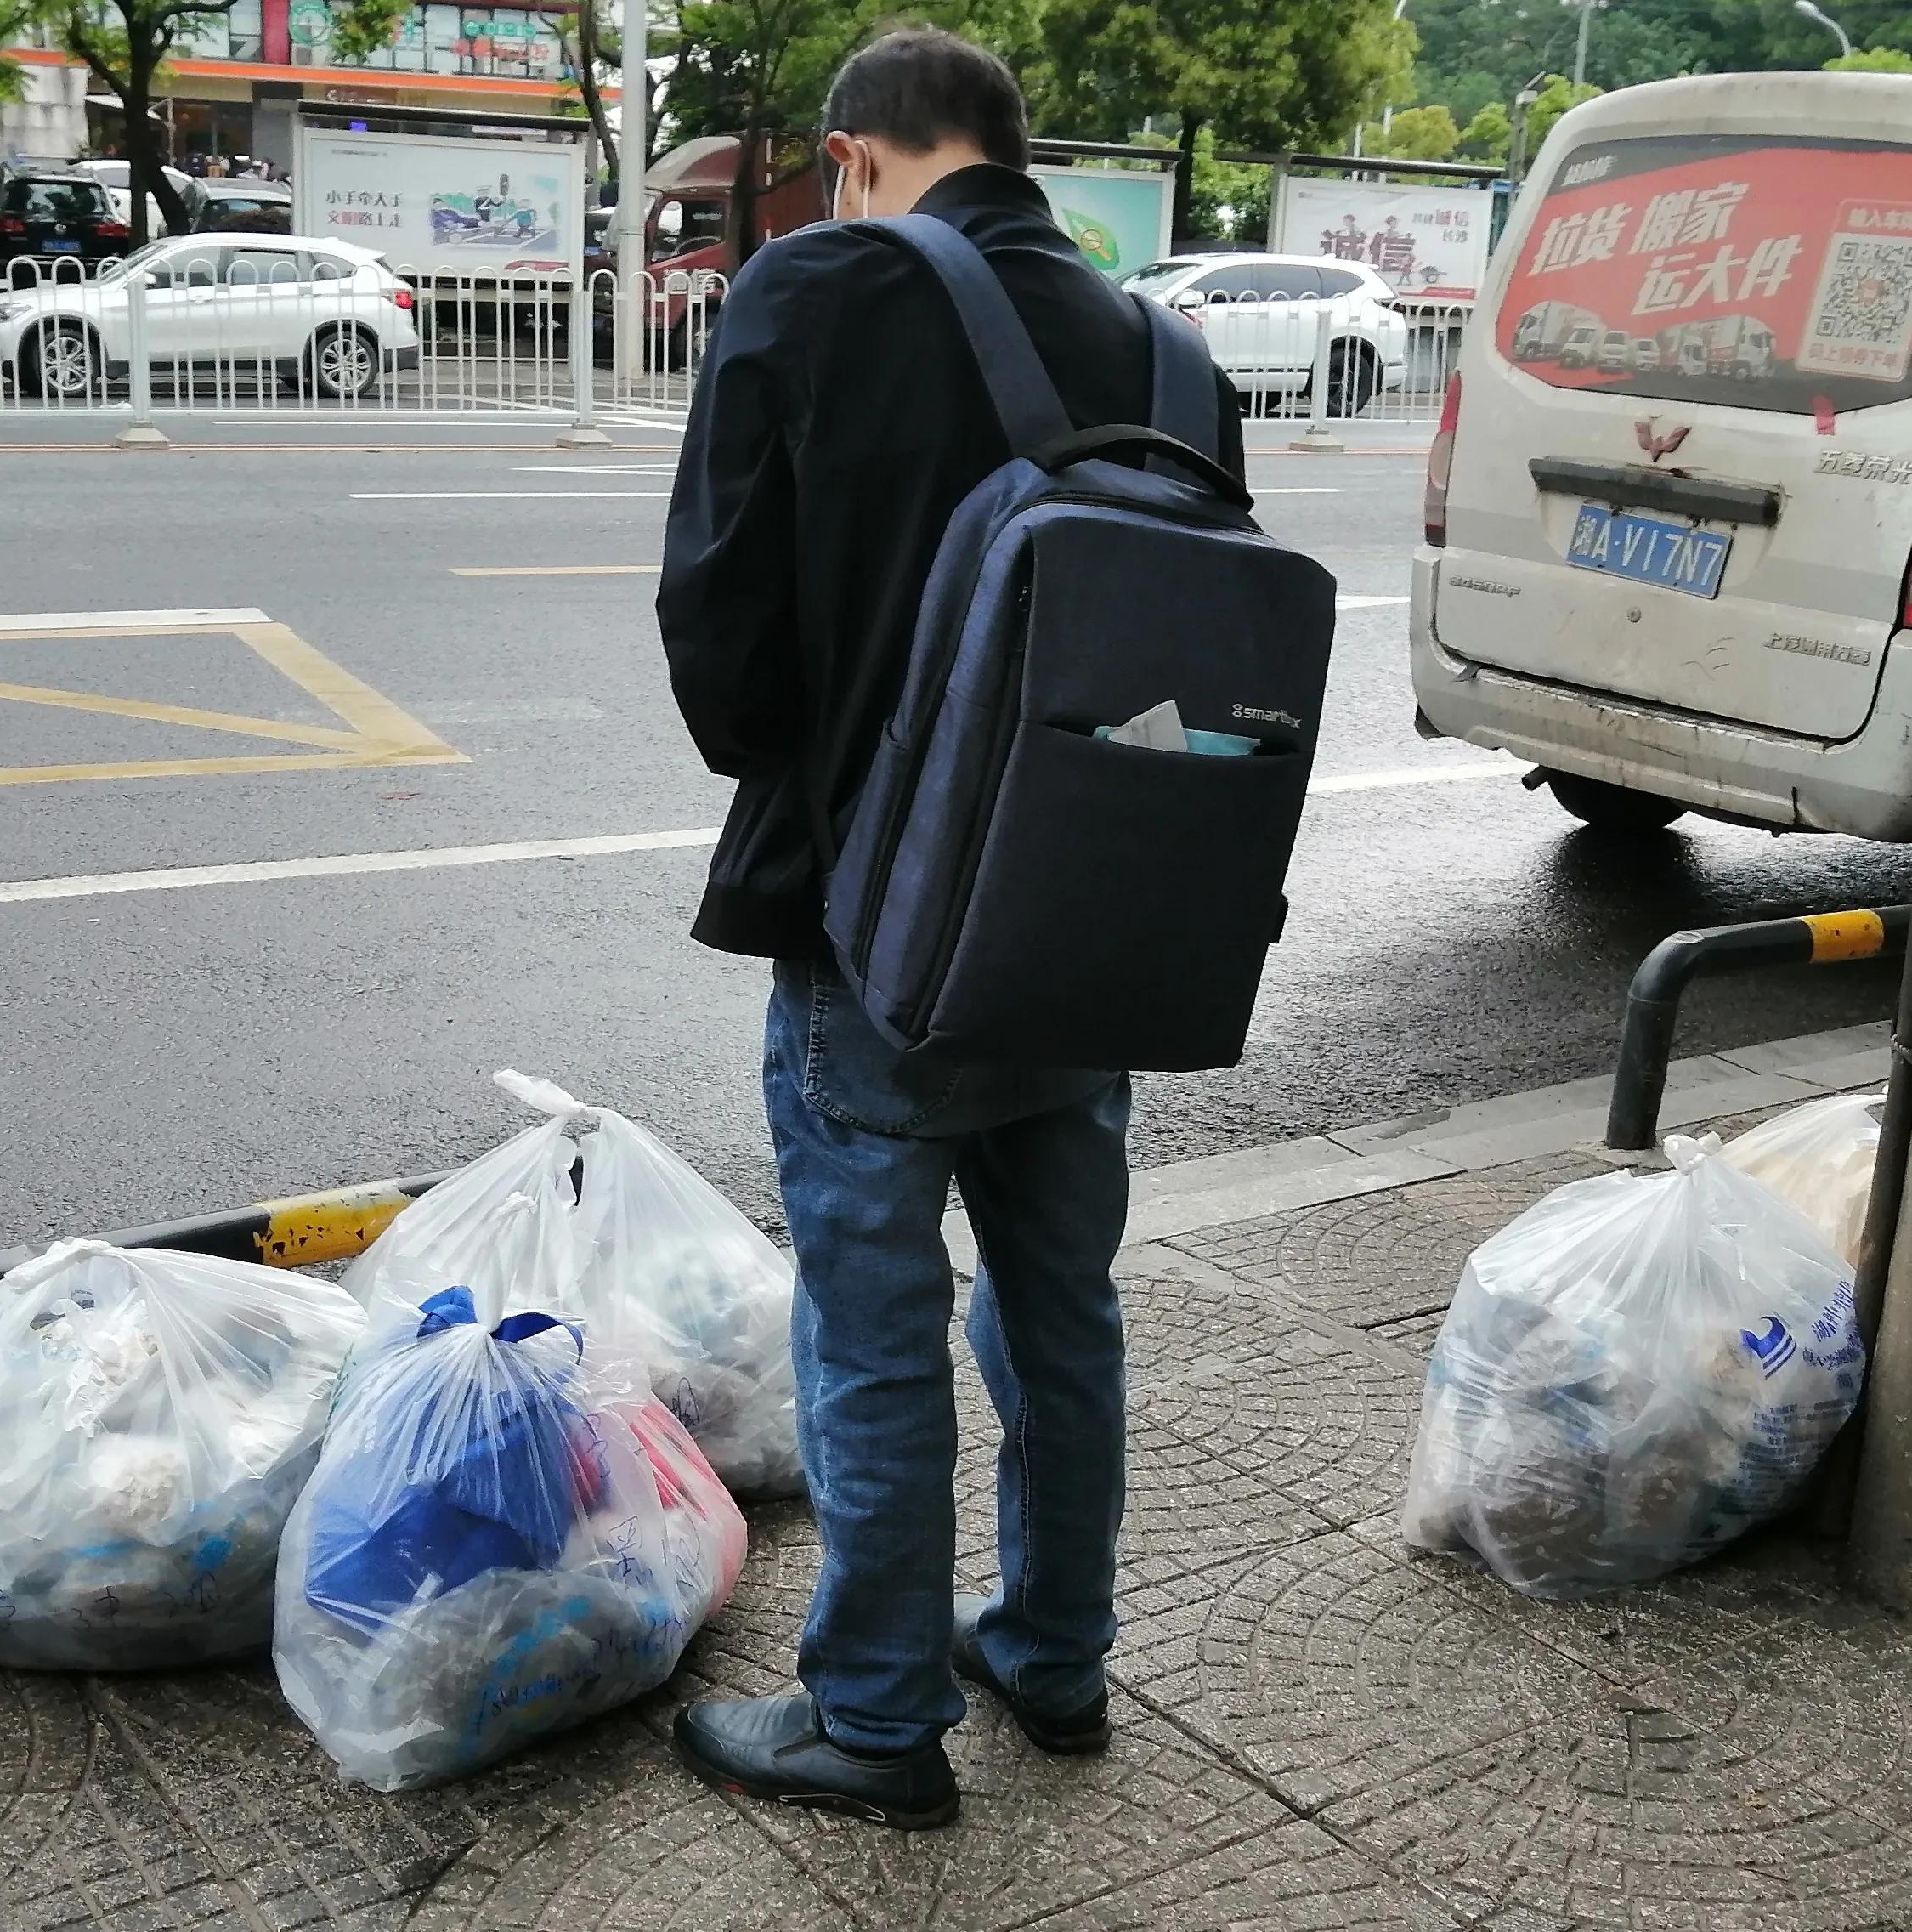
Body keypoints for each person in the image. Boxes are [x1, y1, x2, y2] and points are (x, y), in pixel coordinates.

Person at [656, 26, 1245, 1830]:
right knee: (1063, 1304)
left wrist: (842, 779)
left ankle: (880, 1714)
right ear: (1008, 150)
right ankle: (1055, 1652)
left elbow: (721, 639)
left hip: (878, 922)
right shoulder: (1171, 346)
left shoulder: (814, 291)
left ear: (854, 157)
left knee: (875, 1321)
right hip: (1100, 921)